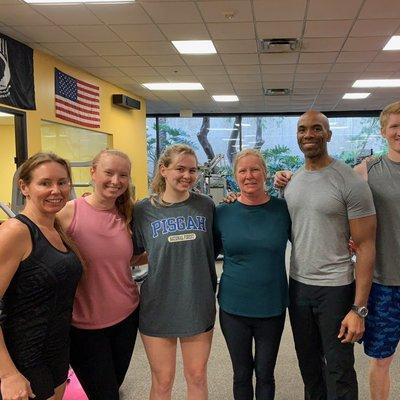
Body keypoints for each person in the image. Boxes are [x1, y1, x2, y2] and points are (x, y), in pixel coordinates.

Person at [276, 101, 400, 400]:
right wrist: (285, 177)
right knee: (379, 360)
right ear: (384, 131)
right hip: (381, 283)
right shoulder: (365, 171)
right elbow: (324, 189)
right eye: (395, 126)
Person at [282, 110, 376, 399]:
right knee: (309, 367)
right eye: (302, 129)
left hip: (335, 288)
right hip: (298, 286)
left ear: (329, 134)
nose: (308, 135)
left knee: (339, 369)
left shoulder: (349, 181)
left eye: (316, 129)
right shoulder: (293, 181)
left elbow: (366, 246)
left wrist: (359, 308)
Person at [132, 144, 217, 400]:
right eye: (180, 168)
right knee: (162, 381)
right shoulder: (142, 210)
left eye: (193, 170)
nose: (187, 175)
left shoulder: (207, 206)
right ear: (163, 170)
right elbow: (135, 254)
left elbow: (216, 247)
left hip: (197, 302)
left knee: (197, 376)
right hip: (158, 304)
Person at [56, 149, 140, 400]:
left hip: (127, 316)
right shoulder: (68, 213)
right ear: (93, 172)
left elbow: (132, 256)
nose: (116, 181)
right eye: (109, 172)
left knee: (115, 383)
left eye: (123, 175)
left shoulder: (129, 214)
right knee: (104, 393)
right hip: (84, 325)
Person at [0, 153, 83, 400]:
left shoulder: (56, 227)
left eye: (62, 182)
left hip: (55, 351)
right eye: (45, 183)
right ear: (24, 187)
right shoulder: (15, 232)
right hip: (24, 359)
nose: (56, 190)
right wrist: (8, 375)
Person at [214, 149, 291, 400]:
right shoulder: (222, 213)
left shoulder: (283, 210)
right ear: (235, 176)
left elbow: (311, 237)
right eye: (243, 171)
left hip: (272, 305)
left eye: (255, 169)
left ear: (265, 173)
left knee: (266, 374)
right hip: (233, 307)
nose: (249, 175)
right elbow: (206, 252)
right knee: (241, 373)